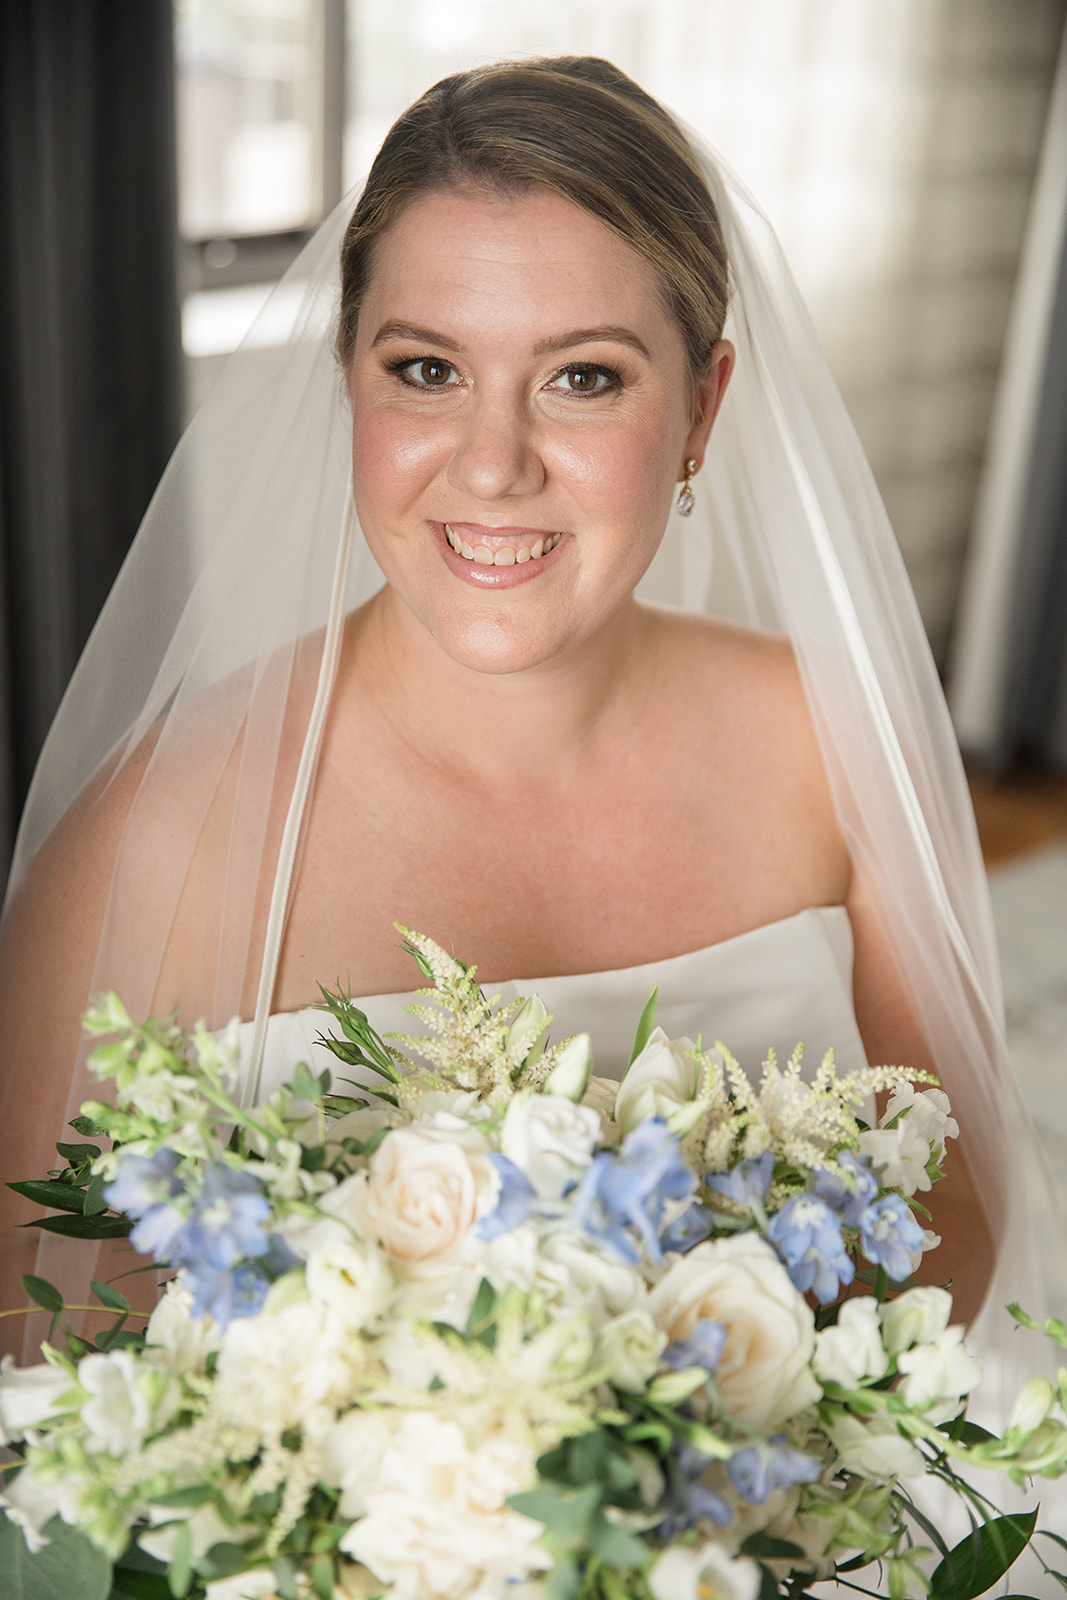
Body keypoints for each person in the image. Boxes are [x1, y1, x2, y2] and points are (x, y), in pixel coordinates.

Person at [0, 58, 1045, 1381]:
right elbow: (36, 1345)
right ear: (349, 381)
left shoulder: (834, 745)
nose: (492, 464)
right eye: (428, 368)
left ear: (702, 410)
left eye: (584, 379)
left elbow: (956, 1225)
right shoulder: (156, 840)